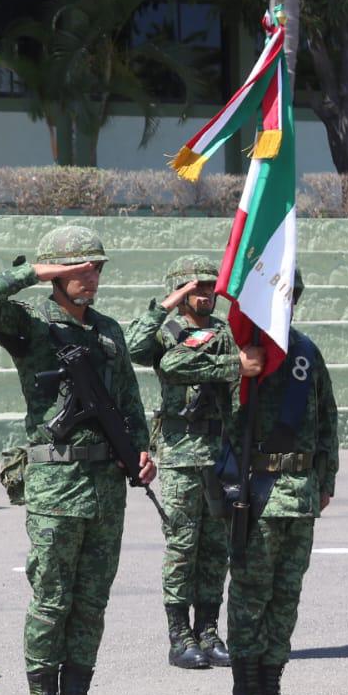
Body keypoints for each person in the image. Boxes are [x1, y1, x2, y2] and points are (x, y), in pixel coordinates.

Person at [0, 225, 155, 695]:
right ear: (55, 274)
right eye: (77, 268)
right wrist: (34, 273)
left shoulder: (109, 331)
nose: (89, 277)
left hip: (105, 484)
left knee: (91, 601)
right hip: (56, 480)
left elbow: (130, 406)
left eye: (95, 268)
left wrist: (140, 451)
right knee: (52, 598)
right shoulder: (31, 327)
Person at [126, 256, 260, 670]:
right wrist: (169, 305)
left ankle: (207, 629)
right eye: (195, 287)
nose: (204, 294)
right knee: (183, 543)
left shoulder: (223, 331)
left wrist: (233, 362)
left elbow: (246, 367)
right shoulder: (169, 331)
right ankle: (179, 634)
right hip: (182, 451)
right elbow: (163, 359)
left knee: (215, 546)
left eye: (208, 287)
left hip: (221, 451)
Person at [224, 269, 338, 695]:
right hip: (259, 491)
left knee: (285, 599)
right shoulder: (236, 352)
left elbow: (326, 416)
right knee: (251, 598)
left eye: (291, 298)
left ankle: (271, 689)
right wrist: (236, 367)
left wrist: (325, 477)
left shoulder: (306, 352)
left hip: (300, 493)